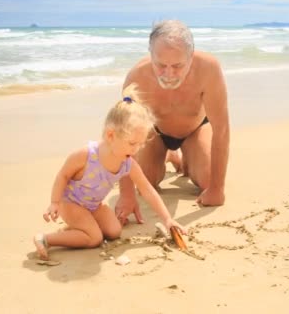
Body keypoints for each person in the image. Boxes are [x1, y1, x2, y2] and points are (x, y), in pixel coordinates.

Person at [33, 84, 185, 260]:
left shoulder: (128, 163)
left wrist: (167, 219)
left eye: (141, 144)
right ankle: (46, 239)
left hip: (93, 206)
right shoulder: (86, 155)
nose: (136, 150)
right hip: (70, 204)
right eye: (132, 143)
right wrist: (54, 203)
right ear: (110, 135)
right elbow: (63, 175)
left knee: (114, 231)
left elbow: (147, 190)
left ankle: (78, 229)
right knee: (94, 238)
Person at [115, 19, 230, 226]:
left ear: (191, 56)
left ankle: (189, 153)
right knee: (145, 183)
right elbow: (123, 135)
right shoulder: (136, 77)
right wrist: (126, 194)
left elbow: (221, 129)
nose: (168, 74)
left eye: (177, 66)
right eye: (160, 65)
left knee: (207, 180)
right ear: (150, 54)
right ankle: (168, 154)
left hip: (195, 128)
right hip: (156, 132)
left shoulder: (209, 69)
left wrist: (217, 189)